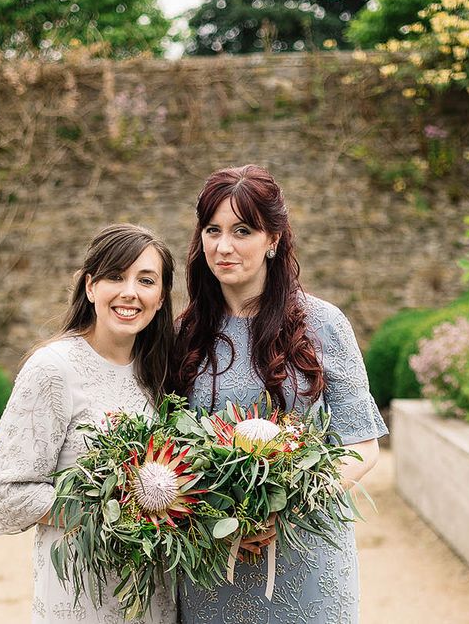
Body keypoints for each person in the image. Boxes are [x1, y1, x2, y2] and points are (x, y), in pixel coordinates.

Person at [171, 165, 388, 624]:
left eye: (242, 230)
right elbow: (168, 455)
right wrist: (213, 517)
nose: (223, 246)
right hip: (212, 560)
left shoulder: (324, 324)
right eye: (212, 230)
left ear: (273, 239)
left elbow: (360, 446)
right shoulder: (182, 336)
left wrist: (283, 508)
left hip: (306, 552)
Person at [0, 224, 177, 624]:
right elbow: (2, 492)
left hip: (156, 597)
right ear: (90, 287)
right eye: (115, 276)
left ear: (160, 298)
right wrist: (111, 508)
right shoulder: (53, 369)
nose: (129, 292)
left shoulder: (162, 373)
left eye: (146, 280)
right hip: (80, 597)